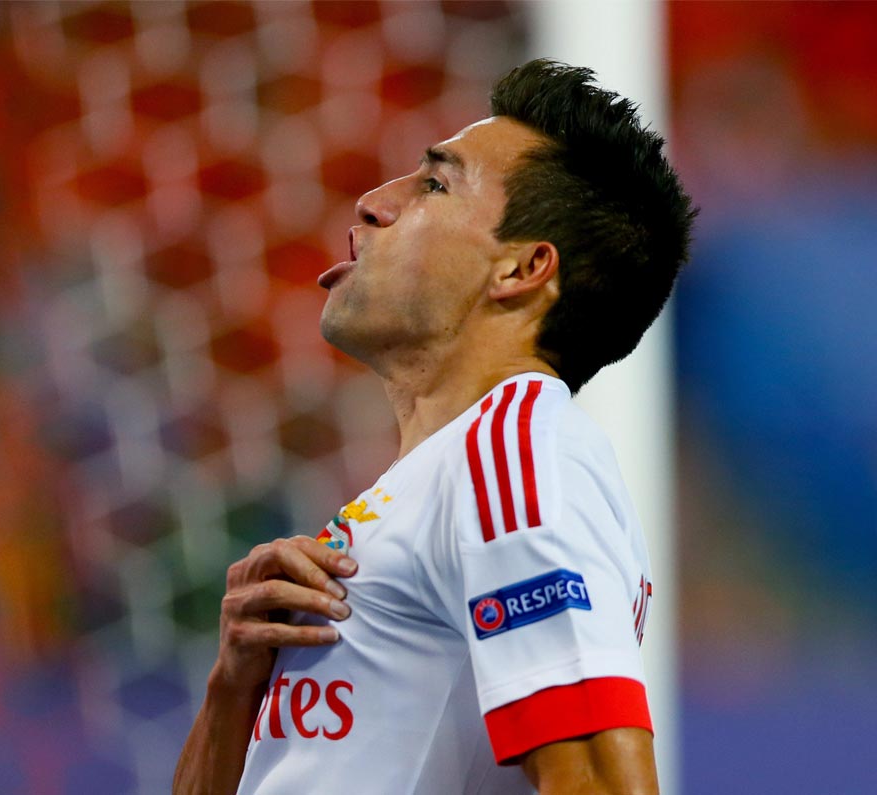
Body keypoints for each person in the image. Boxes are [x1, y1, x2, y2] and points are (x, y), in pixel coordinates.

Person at [173, 59, 696, 795]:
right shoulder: (434, 486)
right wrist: (234, 690)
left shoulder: (519, 450)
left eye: (433, 185)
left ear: (521, 268)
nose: (372, 203)